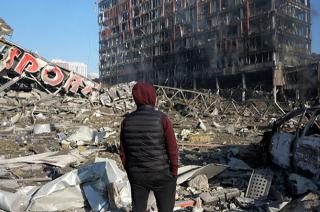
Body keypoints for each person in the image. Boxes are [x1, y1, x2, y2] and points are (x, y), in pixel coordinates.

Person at [120, 82, 178, 212]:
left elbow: (123, 153)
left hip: (137, 176)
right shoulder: (162, 119)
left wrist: (130, 171)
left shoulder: (126, 121)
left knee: (139, 209)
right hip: (162, 175)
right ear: (153, 97)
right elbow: (173, 149)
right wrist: (173, 172)